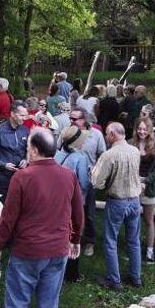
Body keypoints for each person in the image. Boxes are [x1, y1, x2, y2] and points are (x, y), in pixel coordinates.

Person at [0, 128, 84, 308]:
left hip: (28, 251)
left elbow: (8, 218)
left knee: (16, 307)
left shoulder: (22, 176)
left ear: (33, 150)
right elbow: (77, 212)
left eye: (27, 146)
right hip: (58, 249)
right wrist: (75, 239)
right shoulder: (68, 174)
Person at [91, 122, 143, 291]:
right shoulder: (135, 151)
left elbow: (97, 182)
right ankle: (136, 277)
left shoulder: (109, 155)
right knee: (134, 241)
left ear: (112, 135)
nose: (106, 137)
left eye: (107, 134)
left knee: (111, 240)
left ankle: (115, 279)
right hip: (135, 200)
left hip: (117, 202)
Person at [66, 107, 106, 257]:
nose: (71, 121)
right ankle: (69, 238)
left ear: (83, 120)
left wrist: (97, 169)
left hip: (88, 180)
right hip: (68, 179)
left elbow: (102, 154)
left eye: (74, 119)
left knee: (88, 211)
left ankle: (89, 241)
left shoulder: (96, 135)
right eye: (70, 118)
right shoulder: (67, 132)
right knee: (69, 211)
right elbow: (59, 149)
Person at [54, 126, 89, 283]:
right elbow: (84, 182)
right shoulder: (80, 159)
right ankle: (72, 273)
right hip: (73, 202)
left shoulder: (56, 154)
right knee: (74, 234)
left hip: (56, 202)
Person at [130, 117, 155, 265]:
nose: (142, 131)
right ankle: (134, 249)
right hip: (132, 186)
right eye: (139, 129)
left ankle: (150, 251)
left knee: (149, 220)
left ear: (150, 130)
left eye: (145, 129)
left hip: (148, 188)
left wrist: (146, 181)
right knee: (133, 219)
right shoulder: (131, 144)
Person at [0, 101, 29, 201]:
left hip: (20, 178)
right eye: (21, 115)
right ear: (12, 114)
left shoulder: (25, 130)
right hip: (2, 179)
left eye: (25, 116)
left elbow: (29, 150)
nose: (24, 118)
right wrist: (4, 165)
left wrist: (26, 159)